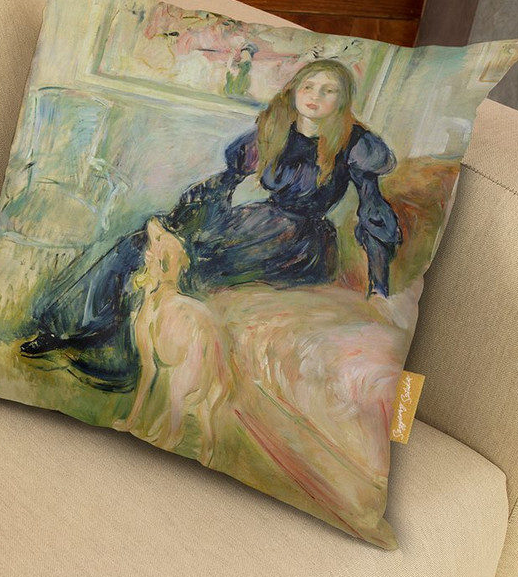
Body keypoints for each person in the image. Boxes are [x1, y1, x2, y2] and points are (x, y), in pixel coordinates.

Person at [20, 59, 401, 366]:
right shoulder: (275, 129)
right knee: (142, 244)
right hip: (258, 222)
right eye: (309, 87)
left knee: (187, 262)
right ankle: (64, 326)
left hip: (300, 245)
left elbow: (374, 214)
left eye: (328, 90)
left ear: (342, 100)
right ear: (294, 91)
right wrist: (176, 223)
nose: (315, 96)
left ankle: (117, 350)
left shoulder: (354, 144)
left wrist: (379, 288)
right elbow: (225, 182)